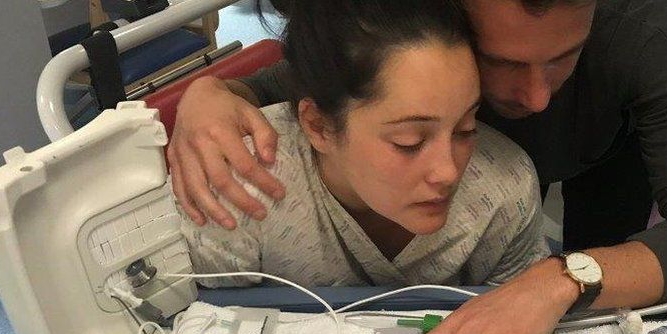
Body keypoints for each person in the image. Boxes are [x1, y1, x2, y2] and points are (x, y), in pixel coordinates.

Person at [167, 0, 667, 334]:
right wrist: (212, 91)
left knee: (588, 316)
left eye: (563, 59)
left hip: (603, 164)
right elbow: (329, 79)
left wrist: (558, 280)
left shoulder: (642, 35)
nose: (536, 98)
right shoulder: (404, 43)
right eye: (502, 62)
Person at [180, 0, 548, 289]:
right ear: (319, 126)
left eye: (466, 128)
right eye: (409, 142)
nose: (448, 171)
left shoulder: (503, 193)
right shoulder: (237, 187)